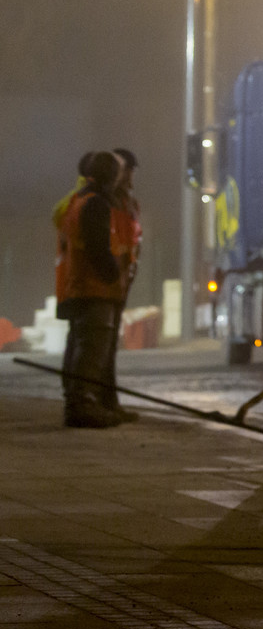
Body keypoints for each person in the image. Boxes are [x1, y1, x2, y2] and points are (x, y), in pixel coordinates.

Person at [54, 152, 130, 428]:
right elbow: (99, 247)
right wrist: (112, 273)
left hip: (81, 287)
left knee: (82, 346)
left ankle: (80, 401)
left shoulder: (78, 200)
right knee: (92, 349)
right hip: (94, 288)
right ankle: (83, 405)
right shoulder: (96, 204)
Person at [102, 148, 143, 421]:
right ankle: (100, 402)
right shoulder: (104, 202)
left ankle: (108, 402)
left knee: (108, 346)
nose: (128, 178)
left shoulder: (126, 202)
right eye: (126, 171)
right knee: (100, 347)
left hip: (120, 279)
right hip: (107, 282)